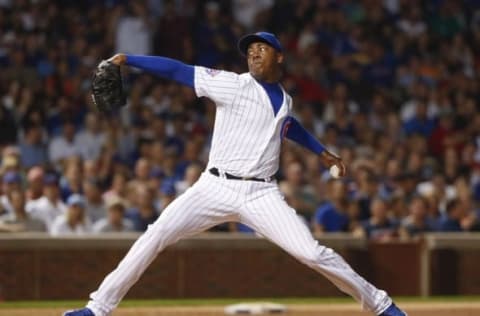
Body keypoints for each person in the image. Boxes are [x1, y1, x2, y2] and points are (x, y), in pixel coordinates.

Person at [64, 32, 406, 316]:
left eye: (262, 49)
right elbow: (178, 70)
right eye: (250, 50)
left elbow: (287, 126)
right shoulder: (232, 84)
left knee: (312, 253)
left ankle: (381, 305)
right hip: (213, 187)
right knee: (156, 234)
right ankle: (97, 309)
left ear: (280, 58)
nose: (254, 54)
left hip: (261, 195)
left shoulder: (285, 99)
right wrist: (129, 59)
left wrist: (321, 152)